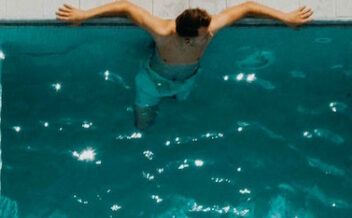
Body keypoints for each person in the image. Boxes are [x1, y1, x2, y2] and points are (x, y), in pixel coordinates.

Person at [55, 1, 313, 129]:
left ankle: (175, 99)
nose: (211, 34)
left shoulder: (208, 29)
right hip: (152, 82)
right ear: (187, 38)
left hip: (188, 79)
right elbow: (125, 6)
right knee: (143, 126)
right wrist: (83, 15)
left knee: (183, 101)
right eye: (204, 33)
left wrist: (286, 18)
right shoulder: (162, 32)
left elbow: (245, 7)